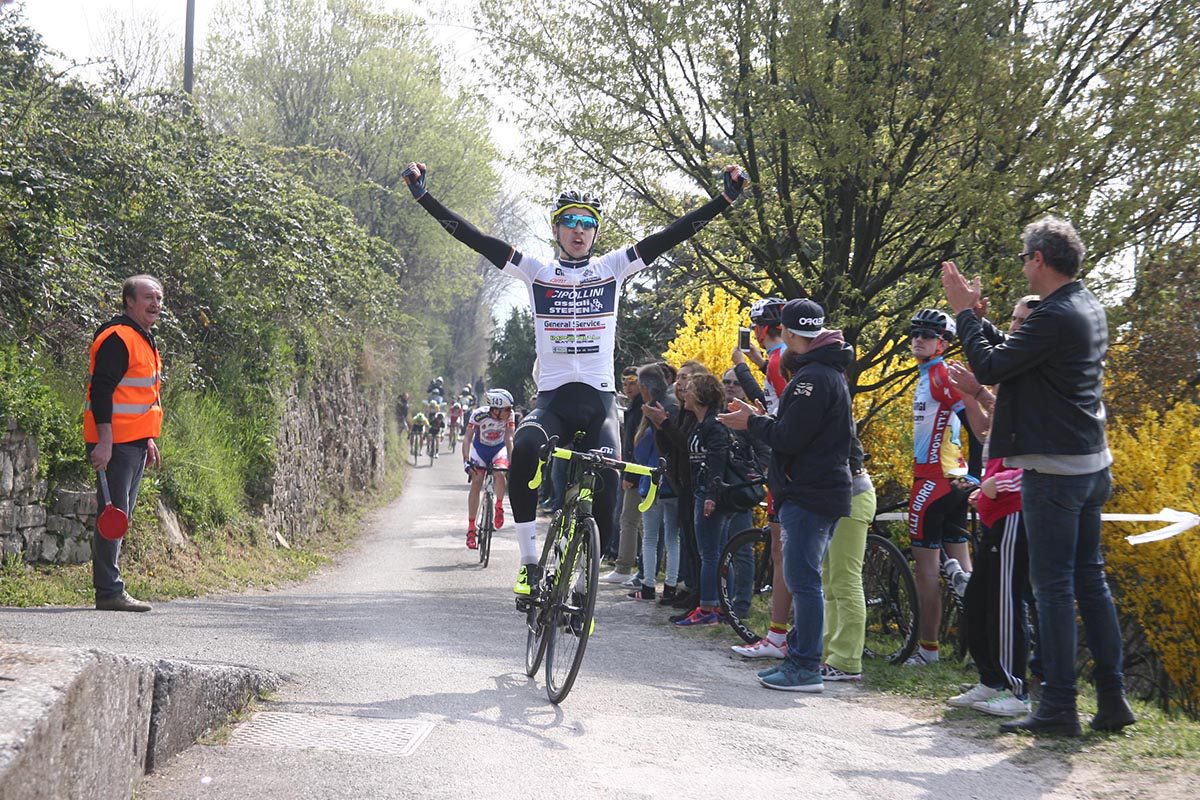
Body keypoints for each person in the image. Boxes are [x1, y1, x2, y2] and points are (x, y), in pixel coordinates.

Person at [403, 160, 748, 597]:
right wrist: (423, 197)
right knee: (525, 448)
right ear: (557, 230)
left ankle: (585, 577)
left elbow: (671, 235)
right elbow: (476, 240)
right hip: (553, 402)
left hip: (600, 403)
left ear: (596, 232)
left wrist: (724, 200)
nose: (579, 230)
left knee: (606, 488)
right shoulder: (537, 272)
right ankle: (529, 564)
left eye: (588, 223)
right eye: (569, 222)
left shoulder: (613, 268)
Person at [943, 216, 1134, 736]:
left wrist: (962, 312)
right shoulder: (1085, 305)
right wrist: (980, 322)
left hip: (1053, 472)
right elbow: (1016, 352)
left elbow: (990, 369)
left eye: (1025, 257)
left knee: (1050, 588)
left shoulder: (1053, 315)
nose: (1023, 265)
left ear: (1040, 260)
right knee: (1090, 583)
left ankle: (1059, 708)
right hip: (1090, 465)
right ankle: (1113, 700)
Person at [720, 299, 854, 693]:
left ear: (792, 334)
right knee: (803, 577)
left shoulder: (813, 378)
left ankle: (806, 667)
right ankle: (799, 657)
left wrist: (753, 421)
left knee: (803, 579)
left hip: (810, 492)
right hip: (815, 489)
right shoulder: (825, 373)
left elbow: (790, 437)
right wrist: (760, 417)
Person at [83, 275, 164, 612]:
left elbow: (136, 394)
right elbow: (102, 390)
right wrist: (104, 441)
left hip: (131, 443)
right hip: (114, 445)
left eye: (159, 298)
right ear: (129, 301)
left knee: (120, 515)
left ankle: (110, 588)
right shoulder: (119, 338)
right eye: (148, 297)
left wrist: (146, 437)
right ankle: (109, 591)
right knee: (113, 515)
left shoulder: (141, 338)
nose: (156, 304)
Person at [905, 307, 975, 666]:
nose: (919, 339)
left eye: (928, 335)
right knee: (965, 576)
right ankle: (985, 651)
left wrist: (979, 469)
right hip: (954, 482)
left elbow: (974, 423)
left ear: (943, 343)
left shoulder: (939, 375)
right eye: (916, 333)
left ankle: (928, 650)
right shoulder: (929, 374)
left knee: (927, 572)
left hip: (934, 483)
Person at [729, 297, 794, 659]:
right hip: (787, 461)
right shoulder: (778, 358)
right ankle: (780, 633)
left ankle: (779, 635)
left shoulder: (777, 361)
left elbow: (775, 408)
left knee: (782, 551)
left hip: (784, 465)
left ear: (762, 329)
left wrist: (742, 368)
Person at [673, 372, 755, 626]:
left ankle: (709, 607)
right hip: (705, 492)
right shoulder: (702, 423)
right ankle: (720, 607)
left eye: (689, 389)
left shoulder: (714, 424)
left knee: (710, 554)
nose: (684, 393)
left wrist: (710, 495)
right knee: (716, 553)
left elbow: (717, 459)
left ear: (699, 396)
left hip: (711, 496)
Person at [627, 363, 679, 601]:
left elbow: (641, 453)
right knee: (672, 537)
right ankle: (670, 585)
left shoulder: (650, 411)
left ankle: (648, 585)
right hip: (674, 483)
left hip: (653, 482)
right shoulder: (675, 406)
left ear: (645, 388)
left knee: (650, 537)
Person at [602, 366, 644, 584]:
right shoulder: (632, 407)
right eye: (625, 383)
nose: (628, 387)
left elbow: (639, 446)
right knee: (632, 520)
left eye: (632, 382)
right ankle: (635, 566)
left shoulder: (641, 408)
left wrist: (631, 474)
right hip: (629, 468)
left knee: (629, 520)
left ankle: (625, 566)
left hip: (636, 472)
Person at [462, 389, 516, 549]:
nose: (509, 412)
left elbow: (509, 438)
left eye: (509, 409)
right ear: (496, 409)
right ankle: (471, 529)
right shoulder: (478, 415)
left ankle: (499, 506)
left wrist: (512, 462)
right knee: (477, 481)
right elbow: (467, 438)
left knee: (500, 473)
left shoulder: (510, 416)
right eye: (506, 409)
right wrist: (466, 460)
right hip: (480, 450)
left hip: (498, 449)